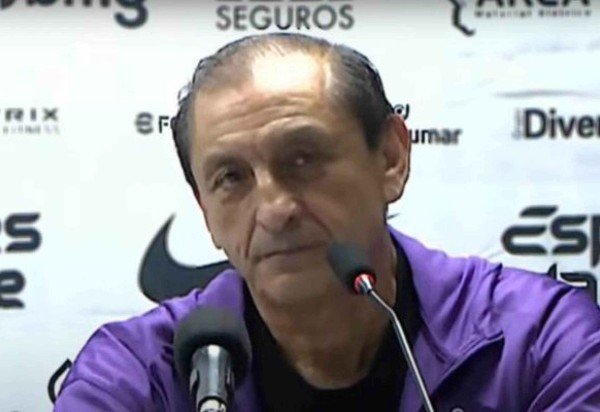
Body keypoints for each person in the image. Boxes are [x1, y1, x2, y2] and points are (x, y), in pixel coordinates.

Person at [54, 33, 600, 411]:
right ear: (206, 212)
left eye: (302, 160)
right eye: (231, 178)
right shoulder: (135, 375)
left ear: (391, 159)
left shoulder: (538, 342)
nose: (274, 210)